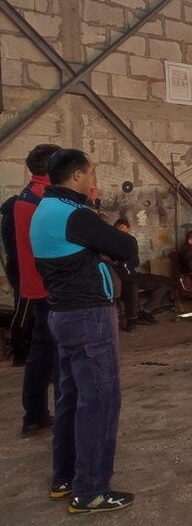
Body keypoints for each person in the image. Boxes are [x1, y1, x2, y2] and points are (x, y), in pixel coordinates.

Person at [30, 148, 138, 513]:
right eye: (91, 175)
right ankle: (90, 489)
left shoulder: (44, 209)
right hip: (89, 316)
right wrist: (102, 245)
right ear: (77, 176)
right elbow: (126, 245)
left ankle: (64, 478)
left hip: (64, 314)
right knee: (101, 401)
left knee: (72, 398)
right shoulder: (74, 215)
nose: (93, 182)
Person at [10, 143, 61, 436]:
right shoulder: (45, 200)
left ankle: (35, 415)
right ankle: (54, 416)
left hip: (35, 285)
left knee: (40, 355)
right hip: (49, 286)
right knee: (58, 357)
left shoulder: (25, 196)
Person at [111, 219, 172, 331]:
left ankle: (146, 311)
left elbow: (135, 262)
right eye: (120, 232)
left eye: (125, 232)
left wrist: (120, 262)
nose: (122, 235)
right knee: (132, 286)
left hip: (133, 275)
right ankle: (132, 320)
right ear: (114, 229)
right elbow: (109, 262)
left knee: (166, 281)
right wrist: (121, 262)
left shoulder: (130, 241)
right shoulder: (107, 242)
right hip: (119, 278)